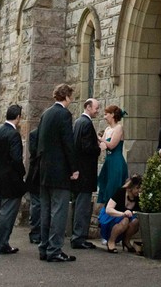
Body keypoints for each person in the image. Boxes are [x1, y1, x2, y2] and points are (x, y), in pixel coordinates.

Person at [37, 83, 79, 263]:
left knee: (46, 212)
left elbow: (38, 141)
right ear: (67, 96)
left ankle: (44, 247)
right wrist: (74, 168)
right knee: (59, 212)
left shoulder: (46, 113)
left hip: (45, 170)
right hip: (60, 171)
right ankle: (54, 250)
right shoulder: (64, 114)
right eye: (71, 97)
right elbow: (68, 143)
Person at [0, 103, 25, 255]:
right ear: (18, 117)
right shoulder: (13, 134)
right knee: (8, 213)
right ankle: (2, 244)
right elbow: (16, 159)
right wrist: (22, 172)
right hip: (10, 180)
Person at [71, 97, 101, 250]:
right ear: (88, 107)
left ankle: (77, 235)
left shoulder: (78, 122)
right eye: (96, 108)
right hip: (85, 172)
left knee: (79, 205)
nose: (97, 111)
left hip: (79, 172)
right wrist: (99, 148)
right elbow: (87, 147)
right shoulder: (87, 123)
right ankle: (79, 237)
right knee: (82, 207)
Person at [98, 174, 142, 253]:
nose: (139, 190)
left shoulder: (138, 198)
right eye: (137, 188)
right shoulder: (121, 192)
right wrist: (123, 214)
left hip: (126, 218)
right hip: (111, 216)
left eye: (141, 188)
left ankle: (126, 241)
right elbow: (108, 209)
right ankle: (111, 241)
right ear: (131, 187)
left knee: (136, 221)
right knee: (125, 220)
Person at [96, 104, 128, 208]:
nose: (104, 117)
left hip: (116, 162)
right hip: (108, 161)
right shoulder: (107, 129)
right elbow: (103, 145)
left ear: (112, 114)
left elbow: (112, 145)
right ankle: (107, 211)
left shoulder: (118, 128)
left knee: (113, 187)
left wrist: (100, 139)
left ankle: (114, 210)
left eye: (106, 114)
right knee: (105, 185)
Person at [25, 126, 41, 244]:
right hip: (36, 174)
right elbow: (34, 153)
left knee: (38, 204)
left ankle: (39, 232)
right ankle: (35, 232)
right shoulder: (35, 134)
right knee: (36, 204)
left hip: (41, 174)